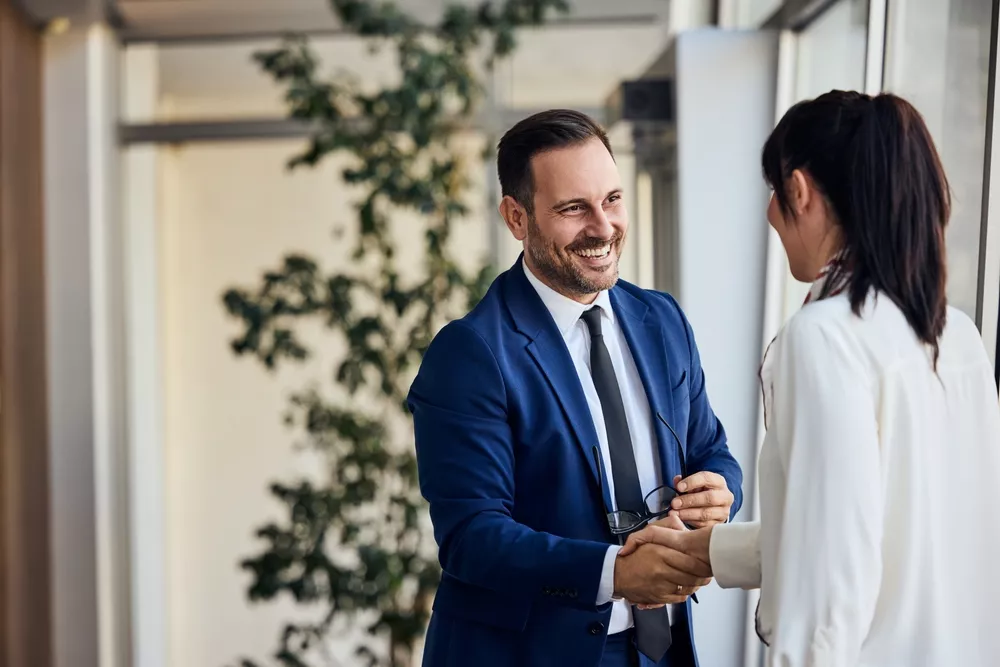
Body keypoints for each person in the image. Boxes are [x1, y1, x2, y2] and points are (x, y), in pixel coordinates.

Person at [620, 91, 1000, 666]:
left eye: (774, 193)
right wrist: (708, 550)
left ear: (797, 189)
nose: (771, 214)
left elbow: (831, 578)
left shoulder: (824, 336)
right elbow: (887, 535)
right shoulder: (956, 334)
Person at [407, 109, 743, 667]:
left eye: (612, 199)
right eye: (573, 208)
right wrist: (616, 573)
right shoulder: (470, 354)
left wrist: (719, 494)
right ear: (516, 218)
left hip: (662, 651)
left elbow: (711, 449)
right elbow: (472, 535)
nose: (603, 227)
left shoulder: (662, 319)